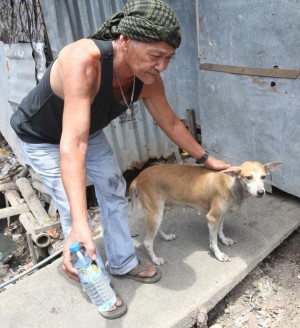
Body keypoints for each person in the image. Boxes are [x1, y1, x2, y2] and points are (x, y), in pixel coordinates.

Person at [10, 0, 230, 320]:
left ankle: (122, 261)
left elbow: (169, 123)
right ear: (125, 41)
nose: (162, 66)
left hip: (86, 129)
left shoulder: (148, 79)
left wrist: (205, 158)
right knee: (74, 213)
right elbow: (72, 144)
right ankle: (94, 280)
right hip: (43, 137)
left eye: (168, 58)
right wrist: (82, 223)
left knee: (114, 186)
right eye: (155, 56)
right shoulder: (83, 61)